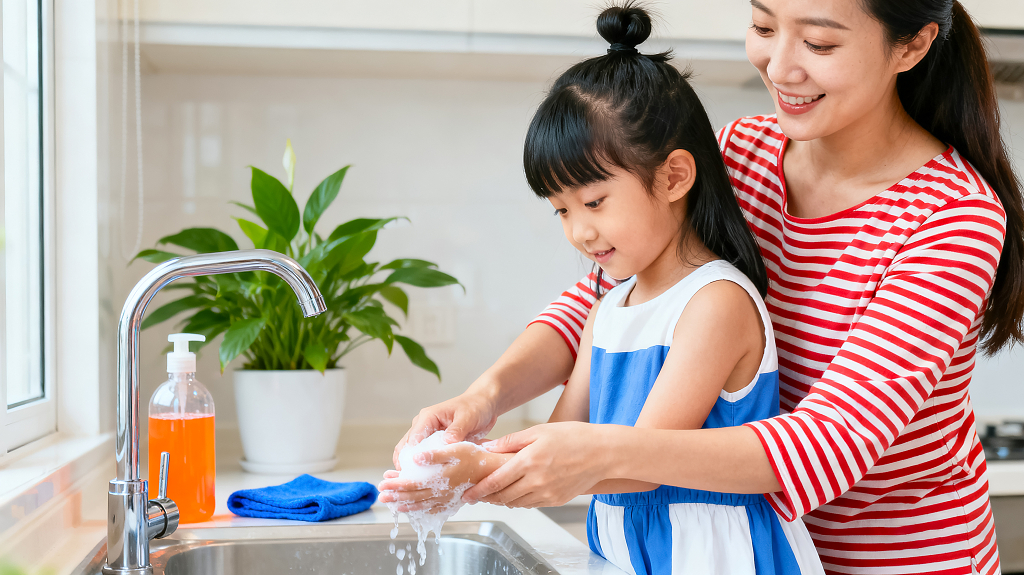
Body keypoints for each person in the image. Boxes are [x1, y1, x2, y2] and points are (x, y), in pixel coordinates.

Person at [387, 0, 1024, 573]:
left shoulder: (951, 217)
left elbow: (832, 439)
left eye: (819, 45)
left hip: (896, 558)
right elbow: (602, 300)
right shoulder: (740, 153)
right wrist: (486, 396)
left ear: (911, 46)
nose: (780, 66)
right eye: (763, 26)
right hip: (738, 551)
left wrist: (603, 452)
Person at [381, 5, 825, 573]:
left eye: (594, 203)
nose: (579, 231)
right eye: (561, 210)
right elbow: (562, 437)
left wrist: (476, 472)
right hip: (627, 546)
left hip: (712, 554)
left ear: (674, 177)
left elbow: (645, 459)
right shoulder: (608, 308)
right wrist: (461, 457)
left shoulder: (715, 303)